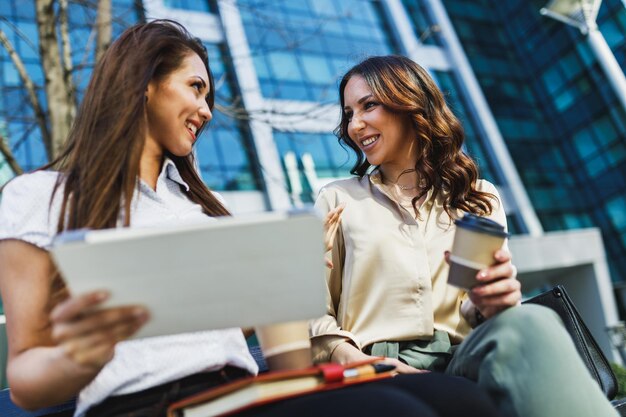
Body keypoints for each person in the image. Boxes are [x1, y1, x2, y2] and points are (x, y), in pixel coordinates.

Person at [0, 21, 503, 417]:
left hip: (247, 394)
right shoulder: (39, 196)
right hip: (142, 404)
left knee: (468, 404)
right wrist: (79, 358)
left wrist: (289, 283)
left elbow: (287, 363)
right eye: (196, 88)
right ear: (144, 84)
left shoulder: (206, 211)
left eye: (208, 96)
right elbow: (24, 380)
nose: (206, 109)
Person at [311, 54, 619, 417]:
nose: (355, 125)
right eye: (348, 114)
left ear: (410, 102)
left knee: (531, 320)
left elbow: (476, 307)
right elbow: (312, 308)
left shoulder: (478, 196)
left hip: (465, 360)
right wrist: (357, 360)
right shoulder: (338, 198)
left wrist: (495, 302)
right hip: (372, 366)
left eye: (368, 106)